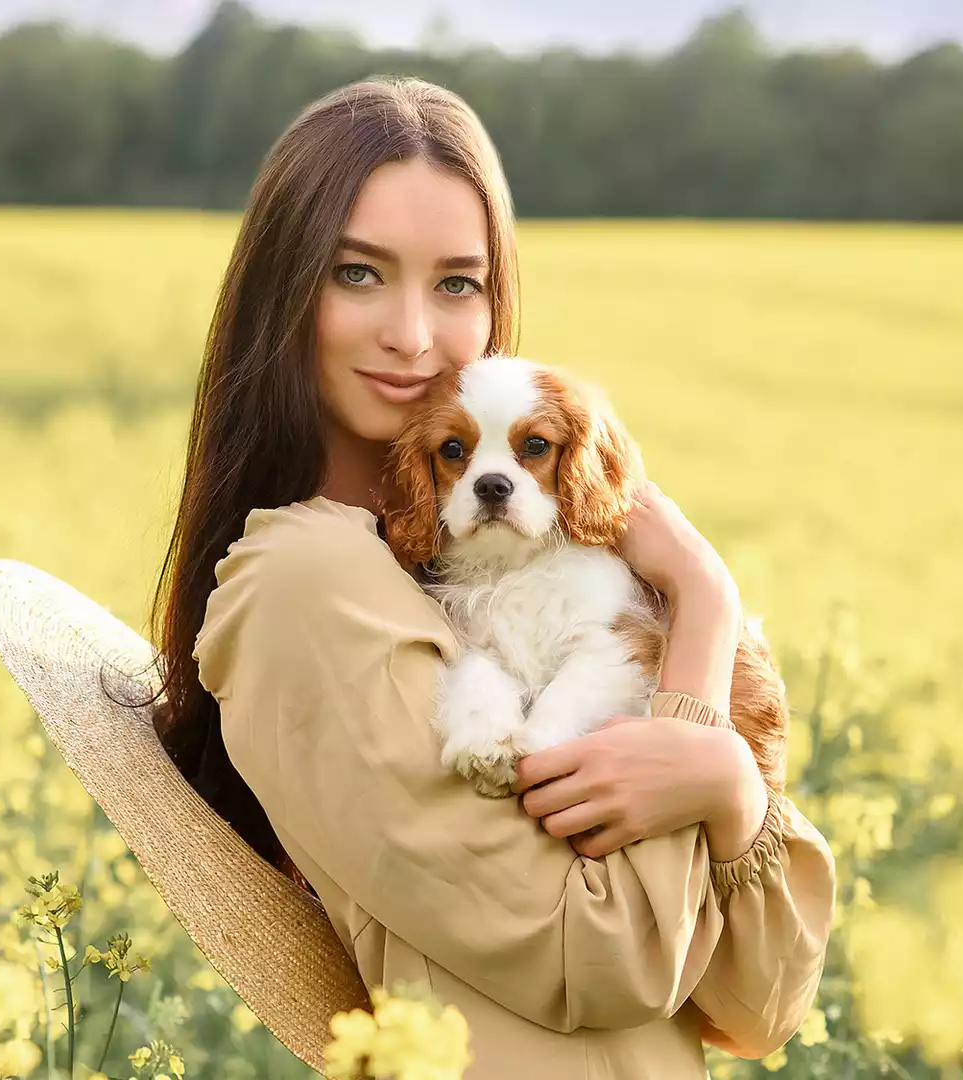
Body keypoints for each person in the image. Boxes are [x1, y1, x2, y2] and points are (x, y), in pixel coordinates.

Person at [149, 75, 836, 1078]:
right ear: (283, 292)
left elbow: (763, 1000)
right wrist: (701, 609)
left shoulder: (529, 565)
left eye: (458, 283)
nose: (414, 336)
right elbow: (612, 957)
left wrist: (729, 783)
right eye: (357, 273)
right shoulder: (305, 582)